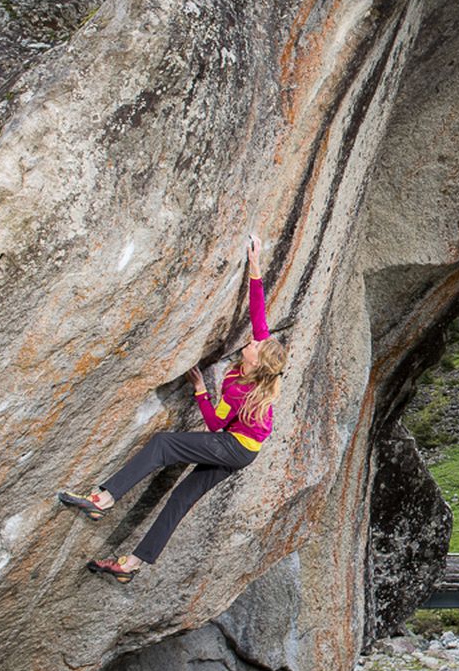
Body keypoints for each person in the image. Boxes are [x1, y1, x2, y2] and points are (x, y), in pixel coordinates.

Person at [58, 235, 287, 583]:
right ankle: (130, 566)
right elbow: (258, 311)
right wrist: (255, 266)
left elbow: (214, 425)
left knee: (163, 445)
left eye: (256, 345)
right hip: (245, 452)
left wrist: (199, 392)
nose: (253, 341)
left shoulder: (238, 387)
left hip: (232, 446)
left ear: (256, 363)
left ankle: (103, 499)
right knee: (181, 497)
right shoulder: (259, 368)